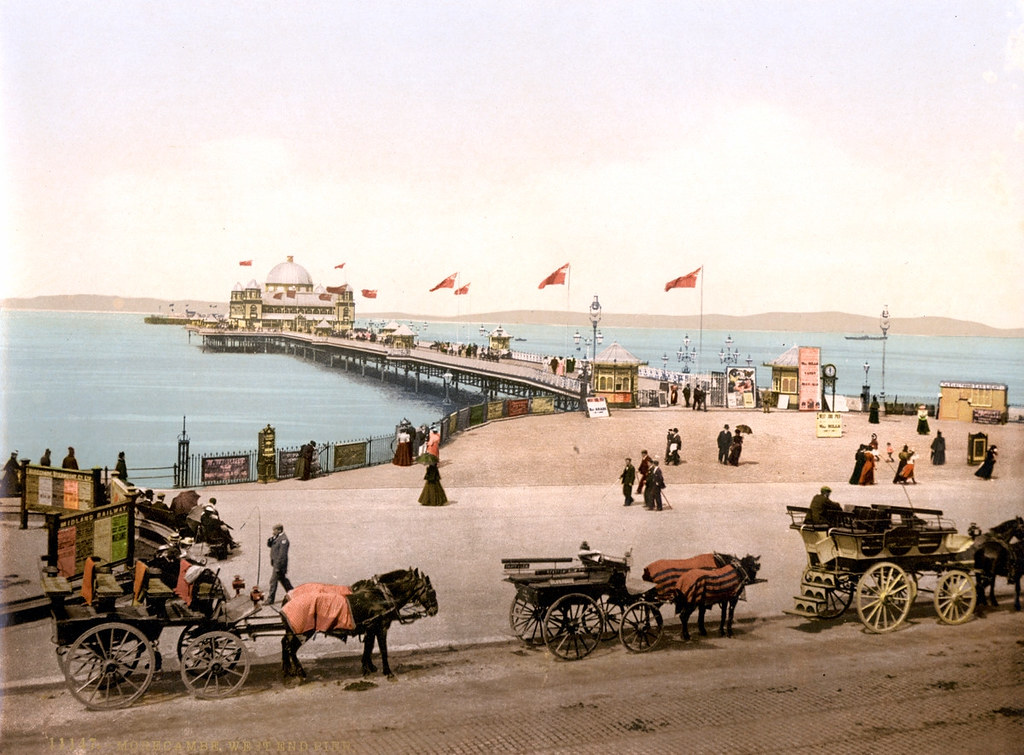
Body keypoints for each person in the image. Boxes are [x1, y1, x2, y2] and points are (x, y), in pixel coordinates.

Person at [266, 524, 294, 604]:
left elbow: (282, 555)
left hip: (279, 565)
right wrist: (272, 539)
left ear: (279, 530)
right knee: (283, 580)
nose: (273, 532)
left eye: (274, 530)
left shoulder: (283, 540)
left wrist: (278, 567)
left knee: (273, 581)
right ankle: (293, 594)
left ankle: (270, 599)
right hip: (276, 564)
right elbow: (270, 545)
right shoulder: (277, 537)